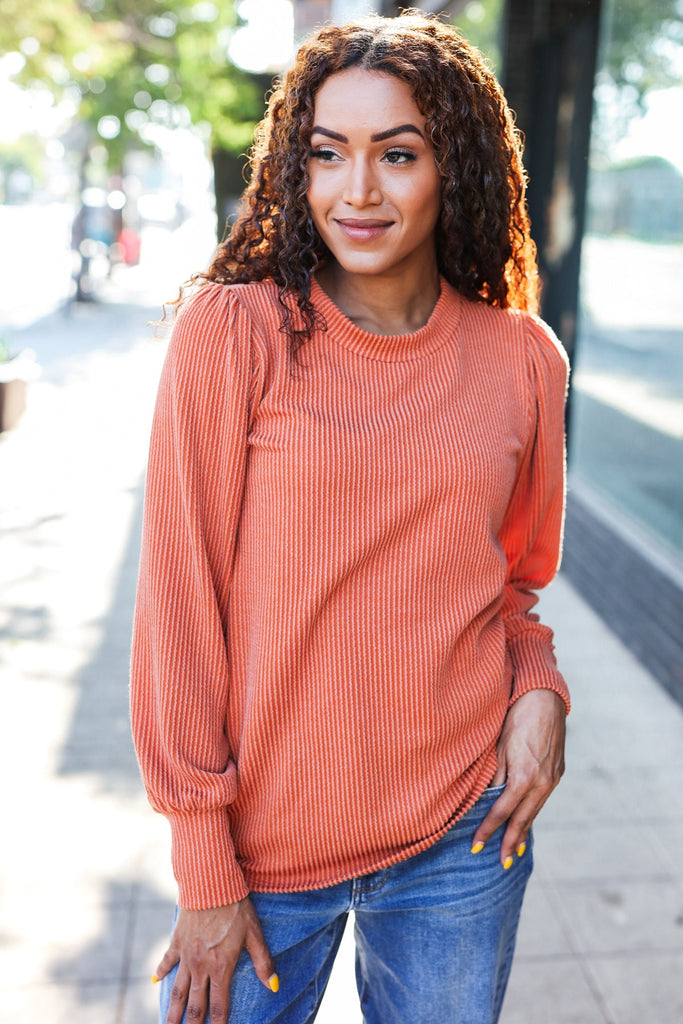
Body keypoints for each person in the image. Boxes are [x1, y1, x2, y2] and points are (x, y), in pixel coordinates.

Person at [130, 11, 570, 1024]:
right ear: (298, 166)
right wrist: (203, 861)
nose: (356, 191)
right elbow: (180, 611)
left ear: (451, 166)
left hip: (461, 839)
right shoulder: (234, 335)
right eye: (327, 154)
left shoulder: (520, 360)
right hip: (257, 857)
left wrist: (537, 689)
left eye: (396, 154)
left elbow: (510, 583)